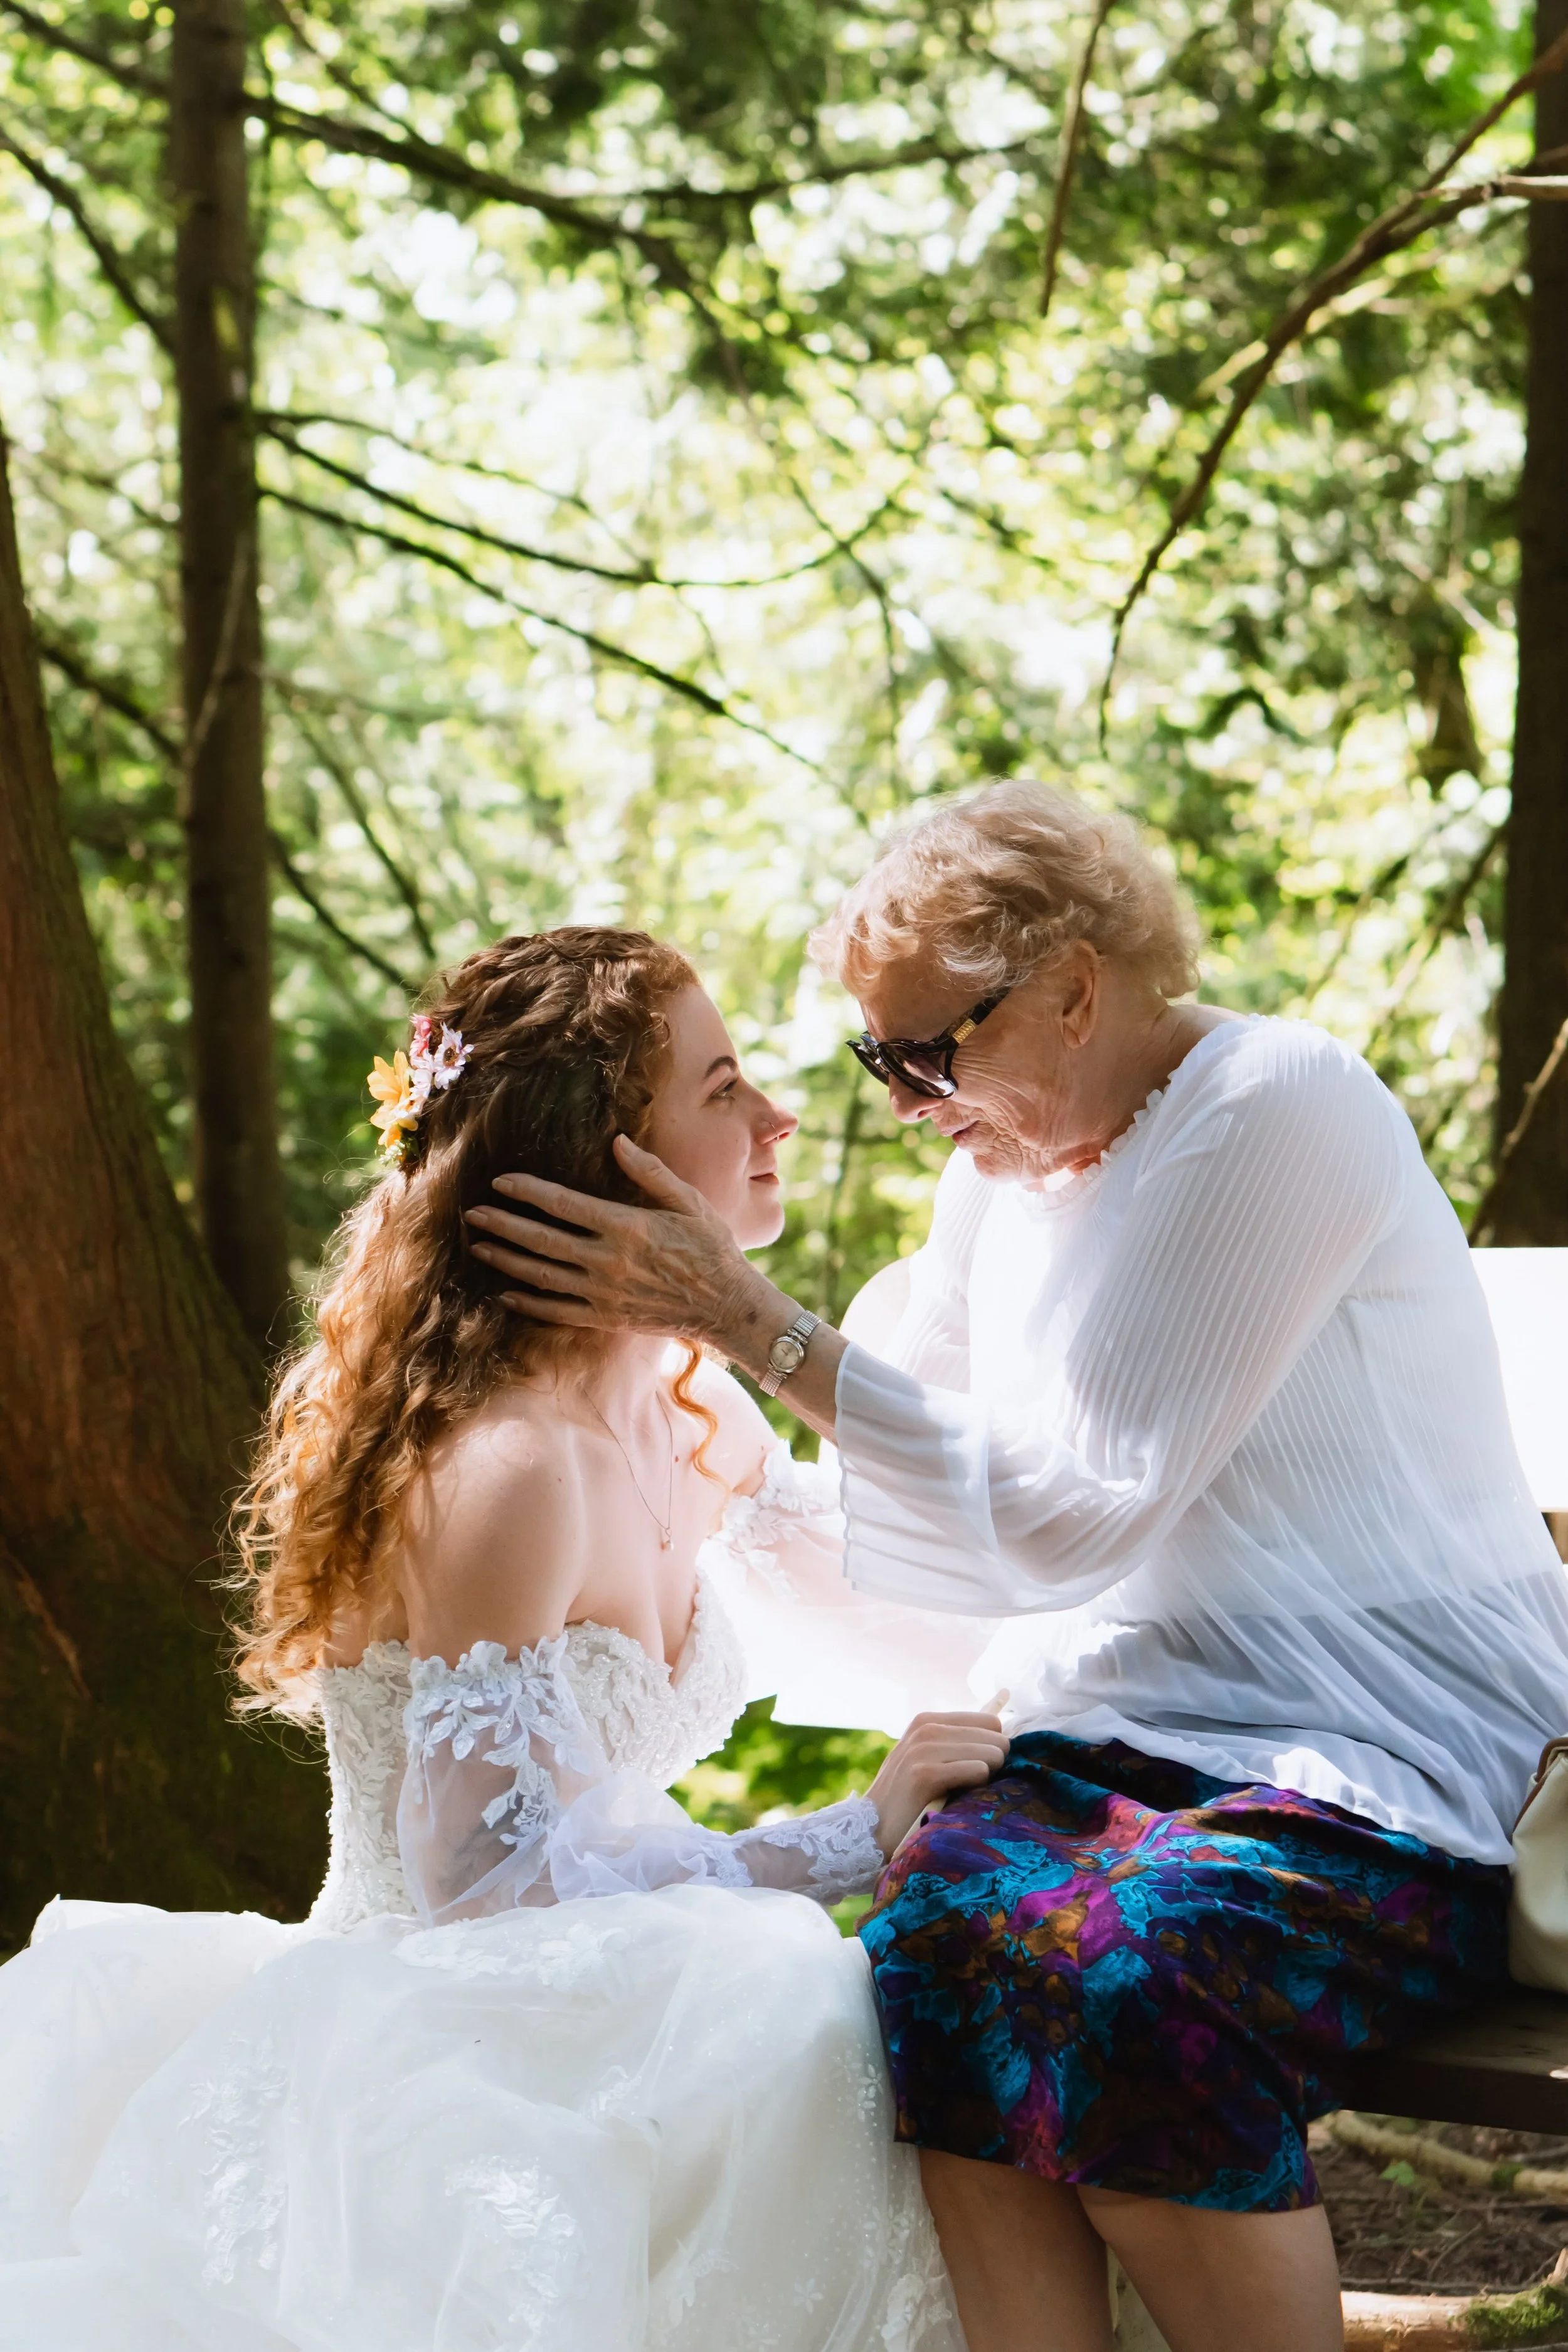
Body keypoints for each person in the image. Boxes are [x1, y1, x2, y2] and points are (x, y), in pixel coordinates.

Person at [464, 781, 1568, 2352]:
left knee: (1127, 1973)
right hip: (1129, 1741)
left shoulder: (1275, 1106)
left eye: (934, 1050)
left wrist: (751, 1328)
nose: (909, 1101)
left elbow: (1066, 1517)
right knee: (929, 1946)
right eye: (879, 1059)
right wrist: (693, 1435)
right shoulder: (995, 1172)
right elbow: (918, 1540)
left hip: (1380, 1750)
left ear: (1073, 986)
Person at [0, 926, 1005, 2352]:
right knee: (795, 2004)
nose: (776, 1116)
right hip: (444, 2029)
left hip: (612, 1983)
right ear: (610, 1165)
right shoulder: (506, 1467)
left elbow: (911, 1604)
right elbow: (484, 1888)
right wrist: (853, 1831)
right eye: (721, 1089)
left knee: (828, 2002)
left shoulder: (687, 1410)